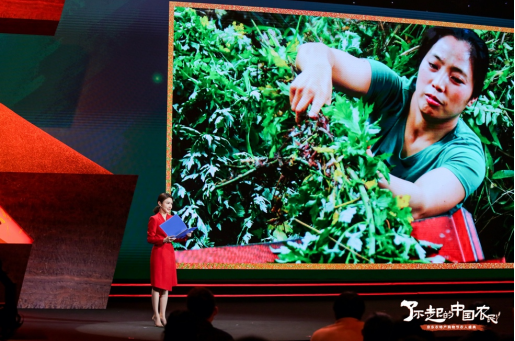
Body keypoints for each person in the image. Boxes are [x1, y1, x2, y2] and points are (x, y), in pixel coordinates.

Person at [290, 27, 489, 220]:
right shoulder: (391, 90)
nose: (438, 83)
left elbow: (419, 204)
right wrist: (318, 68)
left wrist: (362, 162)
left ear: (473, 98)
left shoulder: (467, 155)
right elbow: (312, 51)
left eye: (456, 79)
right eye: (433, 66)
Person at [147, 193, 190, 327]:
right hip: (159, 252)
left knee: (165, 287)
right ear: (160, 204)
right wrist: (163, 239)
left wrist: (186, 235)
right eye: (167, 203)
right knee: (157, 286)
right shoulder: (154, 219)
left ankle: (162, 315)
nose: (170, 206)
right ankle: (155, 316)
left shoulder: (172, 219)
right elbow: (150, 238)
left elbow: (176, 237)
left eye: (171, 203)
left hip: (168, 253)